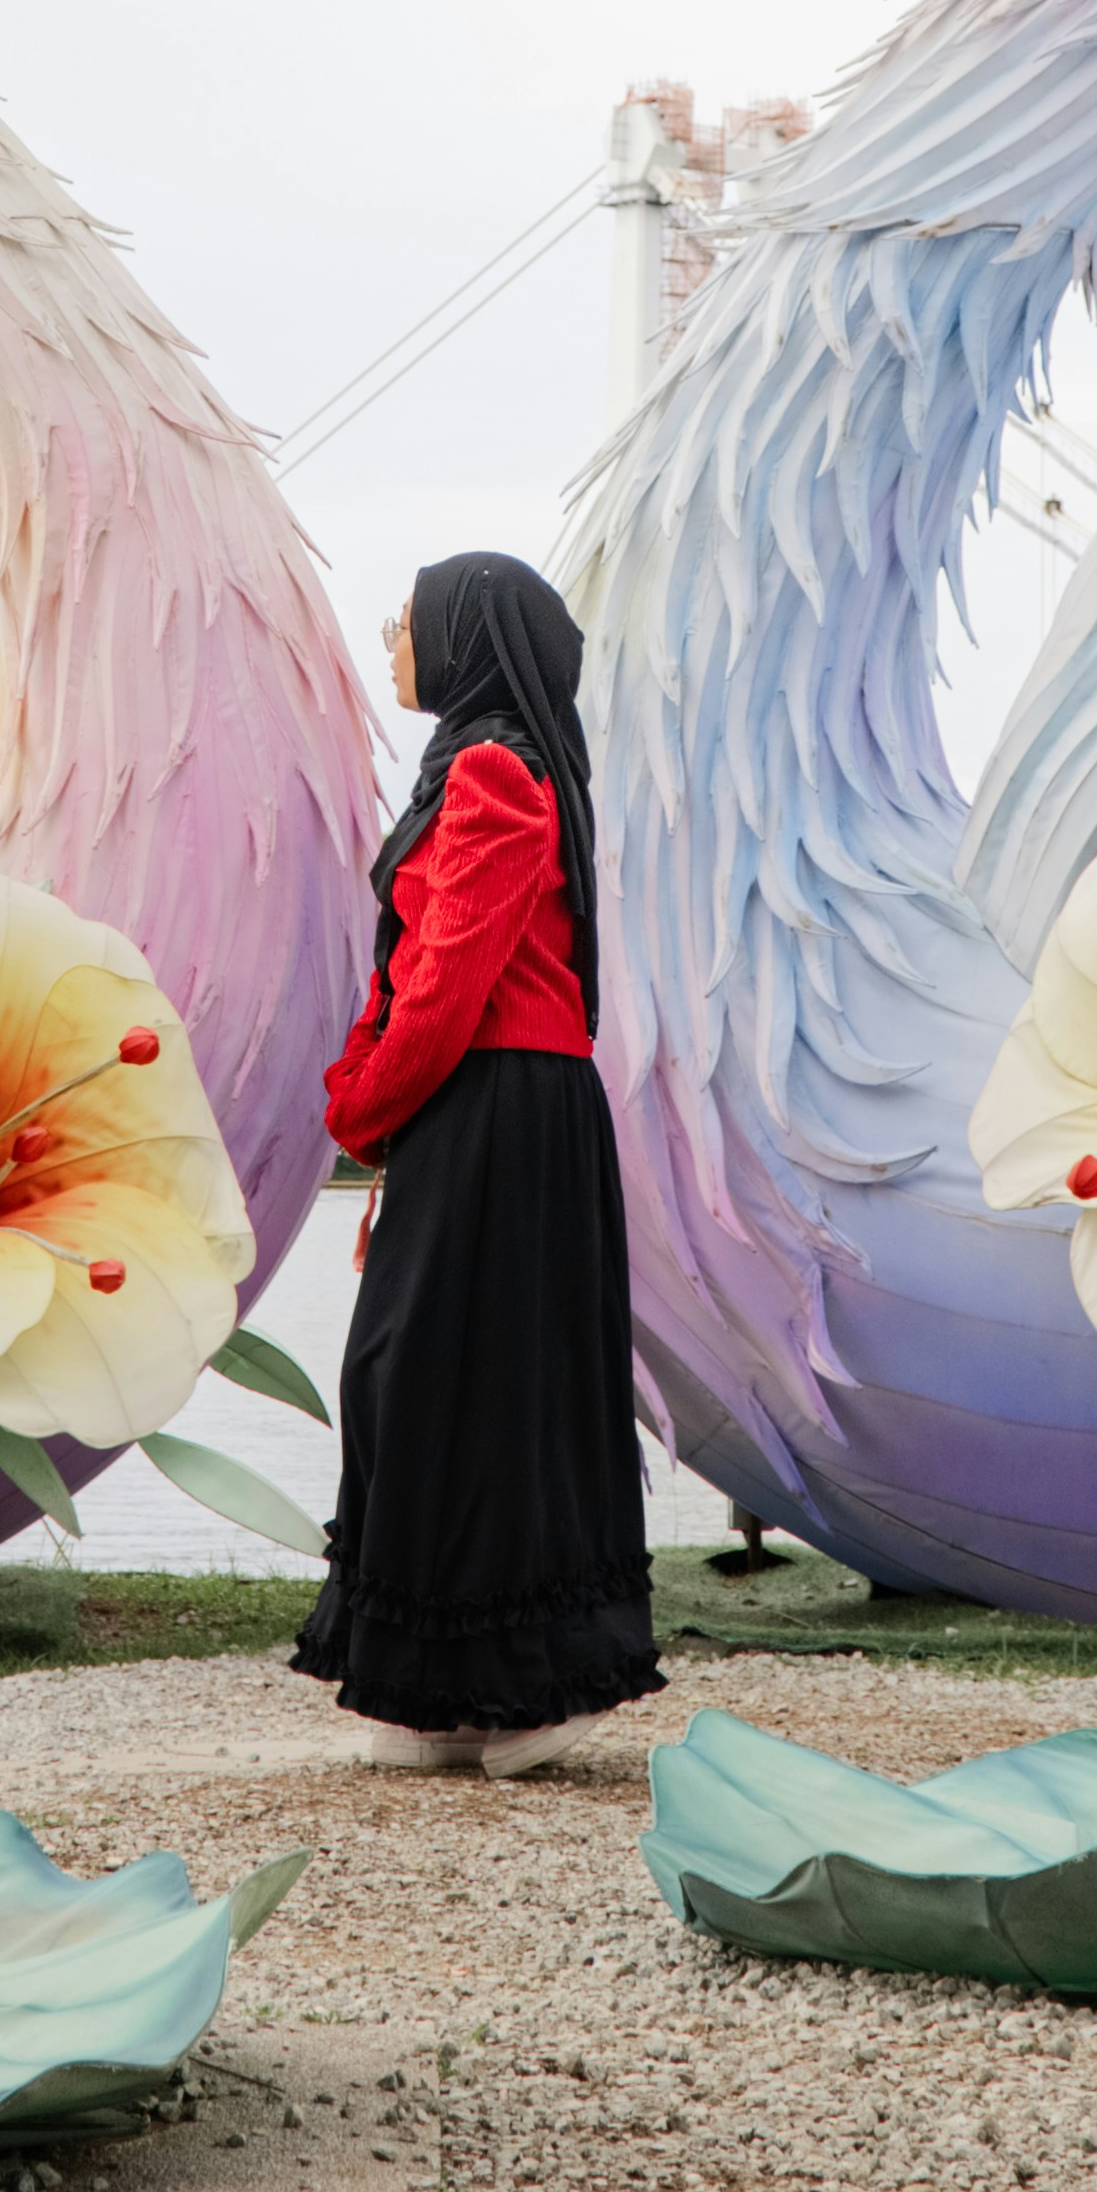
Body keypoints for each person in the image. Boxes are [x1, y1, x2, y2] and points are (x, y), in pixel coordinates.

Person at [290, 551, 669, 1774]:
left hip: (497, 1103)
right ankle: (452, 1682)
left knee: (456, 1378)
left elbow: (443, 987)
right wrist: (377, 1103)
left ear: (460, 639)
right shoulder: (475, 763)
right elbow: (411, 969)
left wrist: (360, 1110)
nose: (391, 637)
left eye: (406, 619)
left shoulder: (494, 773)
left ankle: (526, 1686)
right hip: (495, 1106)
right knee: (454, 1379)